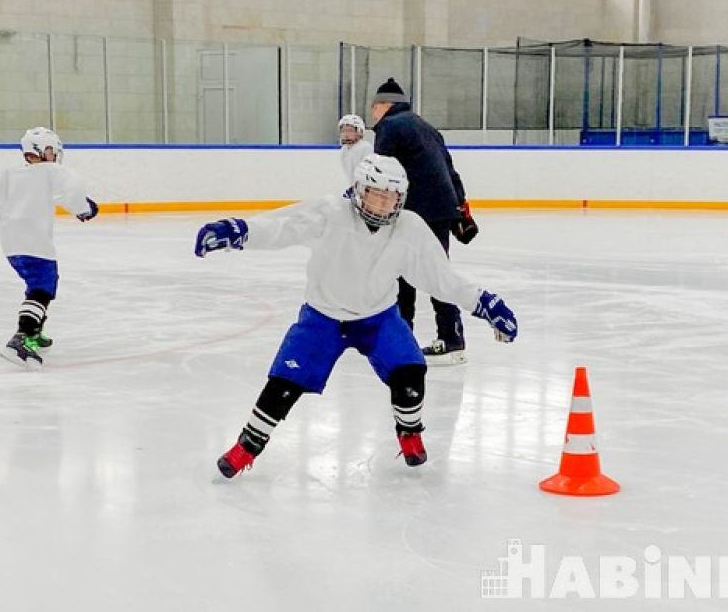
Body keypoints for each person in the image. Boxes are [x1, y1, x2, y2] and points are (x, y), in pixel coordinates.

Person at [195, 154, 516, 478]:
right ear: (360, 190)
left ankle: (409, 432)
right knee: (283, 384)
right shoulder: (330, 213)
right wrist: (238, 231)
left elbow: (440, 278)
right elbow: (282, 227)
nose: (383, 205)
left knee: (410, 374)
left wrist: (484, 303)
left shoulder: (409, 228)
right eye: (377, 194)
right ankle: (247, 447)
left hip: (379, 318)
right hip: (322, 317)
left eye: (391, 197)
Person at [371, 78, 479, 365]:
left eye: (374, 108)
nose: (372, 115)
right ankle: (451, 337)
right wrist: (460, 210)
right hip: (441, 210)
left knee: (402, 272)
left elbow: (381, 171)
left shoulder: (389, 127)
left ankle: (402, 338)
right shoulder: (427, 127)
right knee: (436, 271)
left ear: (384, 105)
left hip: (413, 210)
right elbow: (450, 169)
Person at [0, 127, 100, 367]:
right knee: (43, 287)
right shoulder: (52, 170)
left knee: (35, 284)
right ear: (46, 150)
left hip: (11, 242)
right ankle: (21, 340)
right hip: (35, 241)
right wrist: (84, 209)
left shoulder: (8, 173)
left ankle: (34, 333)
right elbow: (74, 189)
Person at [338, 113, 373, 183]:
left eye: (350, 131)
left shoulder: (365, 147)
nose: (346, 134)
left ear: (359, 132)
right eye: (343, 131)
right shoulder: (344, 150)